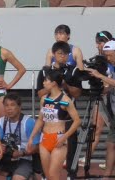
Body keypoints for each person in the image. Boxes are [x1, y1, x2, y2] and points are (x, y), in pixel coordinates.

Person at [28, 68, 81, 179]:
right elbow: (40, 119)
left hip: (58, 139)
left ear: (53, 83)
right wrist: (32, 137)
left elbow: (77, 121)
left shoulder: (65, 100)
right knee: (47, 175)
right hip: (45, 139)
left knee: (53, 174)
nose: (43, 83)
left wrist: (64, 137)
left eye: (46, 80)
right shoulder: (44, 99)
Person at [78, 31, 114, 168]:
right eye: (97, 42)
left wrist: (102, 78)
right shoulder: (98, 60)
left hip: (112, 98)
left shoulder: (111, 60)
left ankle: (110, 161)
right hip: (103, 96)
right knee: (96, 128)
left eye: (101, 42)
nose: (98, 45)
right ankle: (86, 157)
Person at [0, 93, 40, 180]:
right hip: (5, 157)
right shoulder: (2, 121)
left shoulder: (28, 123)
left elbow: (37, 147)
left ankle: (28, 175)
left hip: (24, 159)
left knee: (17, 178)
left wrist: (21, 153)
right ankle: (8, 174)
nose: (9, 108)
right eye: (6, 105)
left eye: (12, 105)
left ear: (19, 107)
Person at [86, 40, 115, 179]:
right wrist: (103, 89)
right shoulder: (112, 68)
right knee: (110, 144)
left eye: (110, 55)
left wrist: (100, 76)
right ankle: (107, 175)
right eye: (106, 55)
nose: (108, 59)